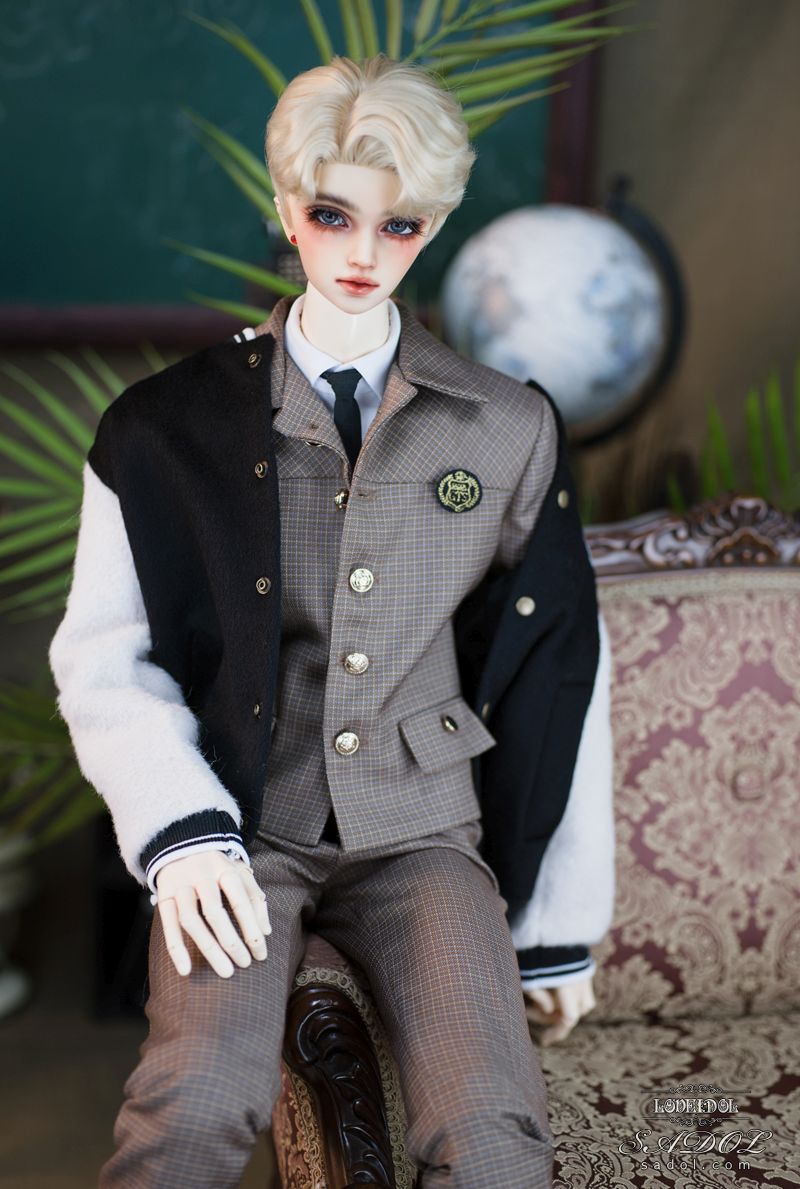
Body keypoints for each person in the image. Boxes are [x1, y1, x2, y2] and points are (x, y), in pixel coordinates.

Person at [48, 54, 614, 1188]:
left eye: (399, 225)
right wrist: (179, 826)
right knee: (193, 1107)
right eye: (331, 215)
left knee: (491, 1138)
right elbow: (106, 652)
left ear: (433, 224)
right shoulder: (164, 429)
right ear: (285, 206)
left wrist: (557, 925)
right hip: (243, 823)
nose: (362, 253)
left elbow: (561, 664)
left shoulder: (505, 427)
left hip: (424, 830)